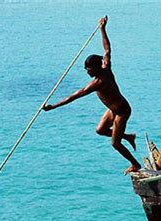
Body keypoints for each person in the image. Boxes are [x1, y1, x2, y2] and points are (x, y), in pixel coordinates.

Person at [42, 16, 141, 175]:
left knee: (115, 144)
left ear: (96, 68)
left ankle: (135, 164)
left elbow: (74, 96)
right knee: (100, 130)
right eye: (86, 69)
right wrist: (102, 28)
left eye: (89, 70)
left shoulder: (99, 82)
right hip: (112, 109)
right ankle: (128, 137)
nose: (87, 72)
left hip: (122, 111)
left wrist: (53, 106)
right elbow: (107, 49)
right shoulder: (106, 65)